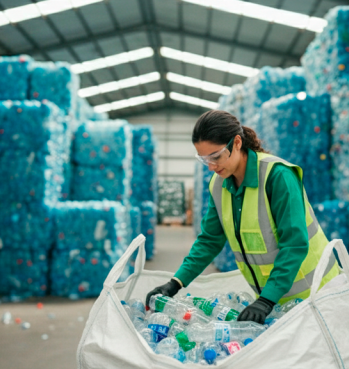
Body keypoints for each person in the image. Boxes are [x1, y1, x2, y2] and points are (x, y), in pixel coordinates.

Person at [145, 110, 338, 324]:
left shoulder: (278, 176)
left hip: (318, 295)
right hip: (274, 301)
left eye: (215, 156)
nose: (211, 166)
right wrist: (176, 282)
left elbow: (294, 245)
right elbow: (209, 241)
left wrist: (266, 300)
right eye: (204, 159)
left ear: (237, 142)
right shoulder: (219, 186)